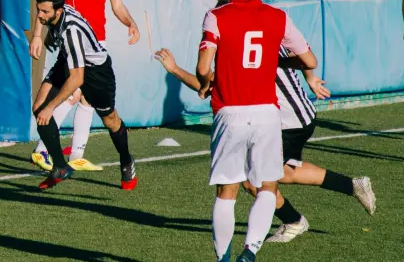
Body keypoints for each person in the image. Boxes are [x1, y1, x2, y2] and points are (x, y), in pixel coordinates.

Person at [155, 46, 375, 242]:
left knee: (253, 180)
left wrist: (174, 69)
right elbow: (303, 49)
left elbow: (212, 87)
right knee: (285, 172)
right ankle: (352, 185)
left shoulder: (238, 46)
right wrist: (310, 76)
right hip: (294, 116)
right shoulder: (268, 23)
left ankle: (294, 221)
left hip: (286, 121)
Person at [195, 0, 316, 262]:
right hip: (266, 113)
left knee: (227, 192)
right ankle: (250, 251)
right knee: (267, 188)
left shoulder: (216, 16)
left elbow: (204, 67)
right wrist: (276, 59)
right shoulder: (279, 17)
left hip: (229, 112)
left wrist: (207, 79)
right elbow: (310, 60)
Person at [30, 0, 139, 173]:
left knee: (85, 99)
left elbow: (117, 4)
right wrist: (37, 35)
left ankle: (75, 155)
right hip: (70, 39)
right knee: (72, 92)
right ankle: (43, 150)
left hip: (95, 41)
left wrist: (131, 23)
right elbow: (47, 0)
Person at [31, 0, 136, 192]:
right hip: (69, 60)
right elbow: (45, 19)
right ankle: (60, 167)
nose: (40, 16)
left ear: (58, 11)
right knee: (39, 107)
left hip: (96, 72)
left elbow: (77, 78)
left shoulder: (72, 32)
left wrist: (52, 108)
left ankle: (126, 161)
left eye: (44, 12)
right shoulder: (54, 12)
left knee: (110, 120)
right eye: (38, 10)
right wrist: (36, 36)